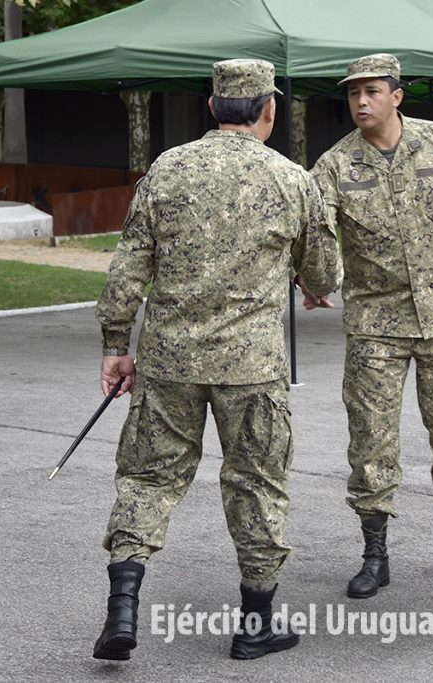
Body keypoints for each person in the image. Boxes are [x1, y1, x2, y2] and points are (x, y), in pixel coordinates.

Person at [92, 58, 341, 660]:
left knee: (148, 479)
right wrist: (305, 278)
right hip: (251, 368)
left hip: (169, 362)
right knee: (257, 483)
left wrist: (117, 346)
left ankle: (122, 611)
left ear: (212, 107)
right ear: (269, 111)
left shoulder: (167, 169)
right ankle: (255, 626)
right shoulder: (292, 180)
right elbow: (325, 273)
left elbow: (126, 272)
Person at [308, 53, 433, 598]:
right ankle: (375, 555)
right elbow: (315, 235)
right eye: (353, 93)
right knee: (371, 439)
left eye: (371, 91)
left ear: (396, 95)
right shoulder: (334, 165)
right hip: (375, 325)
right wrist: (313, 278)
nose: (360, 101)